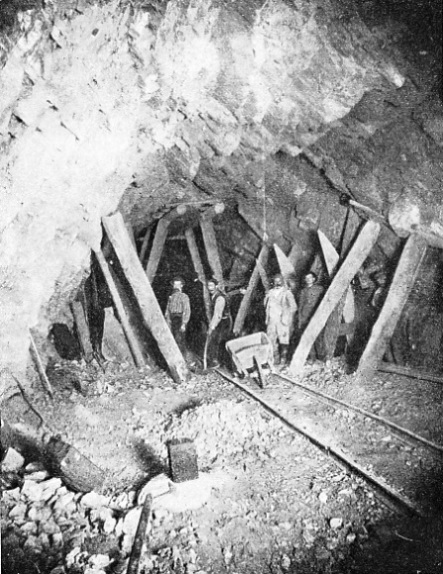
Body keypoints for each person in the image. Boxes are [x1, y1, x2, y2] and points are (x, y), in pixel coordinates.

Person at [264, 274, 297, 366]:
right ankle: (275, 359)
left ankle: (284, 359)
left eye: (279, 281)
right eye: (275, 281)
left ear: (283, 281)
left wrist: (285, 315)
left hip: (282, 321)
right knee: (271, 340)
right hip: (271, 320)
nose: (277, 283)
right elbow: (266, 305)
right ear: (273, 282)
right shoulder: (270, 292)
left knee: (284, 340)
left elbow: (294, 307)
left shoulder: (287, 293)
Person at [298, 272, 325, 361]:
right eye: (307, 278)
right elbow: (301, 305)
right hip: (306, 316)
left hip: (317, 315)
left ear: (314, 279)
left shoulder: (320, 289)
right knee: (307, 337)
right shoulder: (303, 291)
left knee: (319, 336)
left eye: (310, 277)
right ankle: (311, 357)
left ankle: (321, 356)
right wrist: (300, 319)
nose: (308, 279)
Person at [206, 278, 232, 368]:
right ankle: (217, 361)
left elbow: (218, 314)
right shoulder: (213, 296)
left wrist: (212, 326)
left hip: (224, 322)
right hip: (220, 321)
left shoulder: (220, 298)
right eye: (208, 286)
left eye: (211, 286)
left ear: (216, 286)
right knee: (215, 340)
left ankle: (222, 362)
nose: (210, 288)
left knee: (220, 340)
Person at [165, 276, 191, 357]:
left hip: (180, 319)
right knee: (172, 339)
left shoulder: (184, 296)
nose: (176, 287)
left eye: (178, 285)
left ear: (182, 285)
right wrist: (167, 321)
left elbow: (187, 310)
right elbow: (167, 310)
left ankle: (182, 358)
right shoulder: (171, 297)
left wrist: (184, 323)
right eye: (174, 285)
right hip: (172, 320)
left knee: (179, 340)